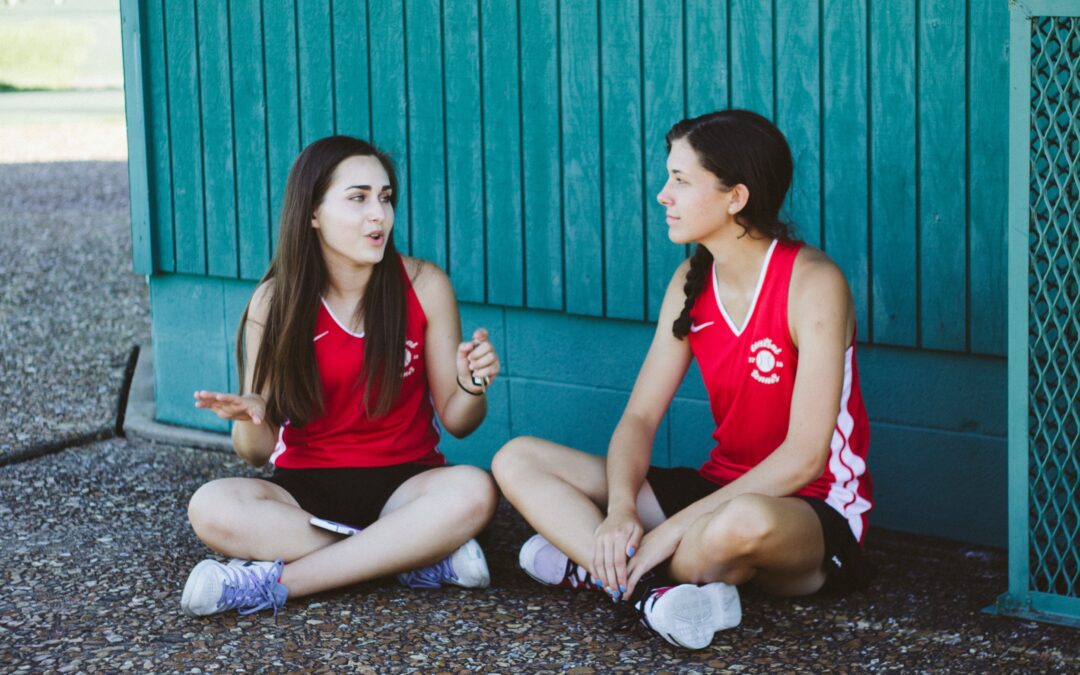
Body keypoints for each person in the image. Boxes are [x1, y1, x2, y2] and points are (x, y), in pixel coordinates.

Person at [492, 110, 873, 650]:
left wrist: (666, 530)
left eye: (680, 180)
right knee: (517, 458)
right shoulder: (691, 282)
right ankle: (651, 590)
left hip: (806, 511)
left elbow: (805, 457)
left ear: (735, 197)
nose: (662, 195)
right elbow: (641, 418)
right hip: (716, 489)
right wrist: (622, 510)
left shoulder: (813, 283)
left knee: (738, 523)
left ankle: (598, 569)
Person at [181, 136, 501, 617]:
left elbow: (459, 420)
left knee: (475, 489)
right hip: (304, 494)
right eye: (358, 198)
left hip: (407, 487)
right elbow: (256, 451)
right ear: (312, 213)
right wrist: (250, 414)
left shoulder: (425, 285)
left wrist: (473, 385)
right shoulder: (274, 303)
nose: (379, 214)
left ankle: (274, 583)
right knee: (210, 505)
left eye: (385, 197)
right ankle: (410, 556)